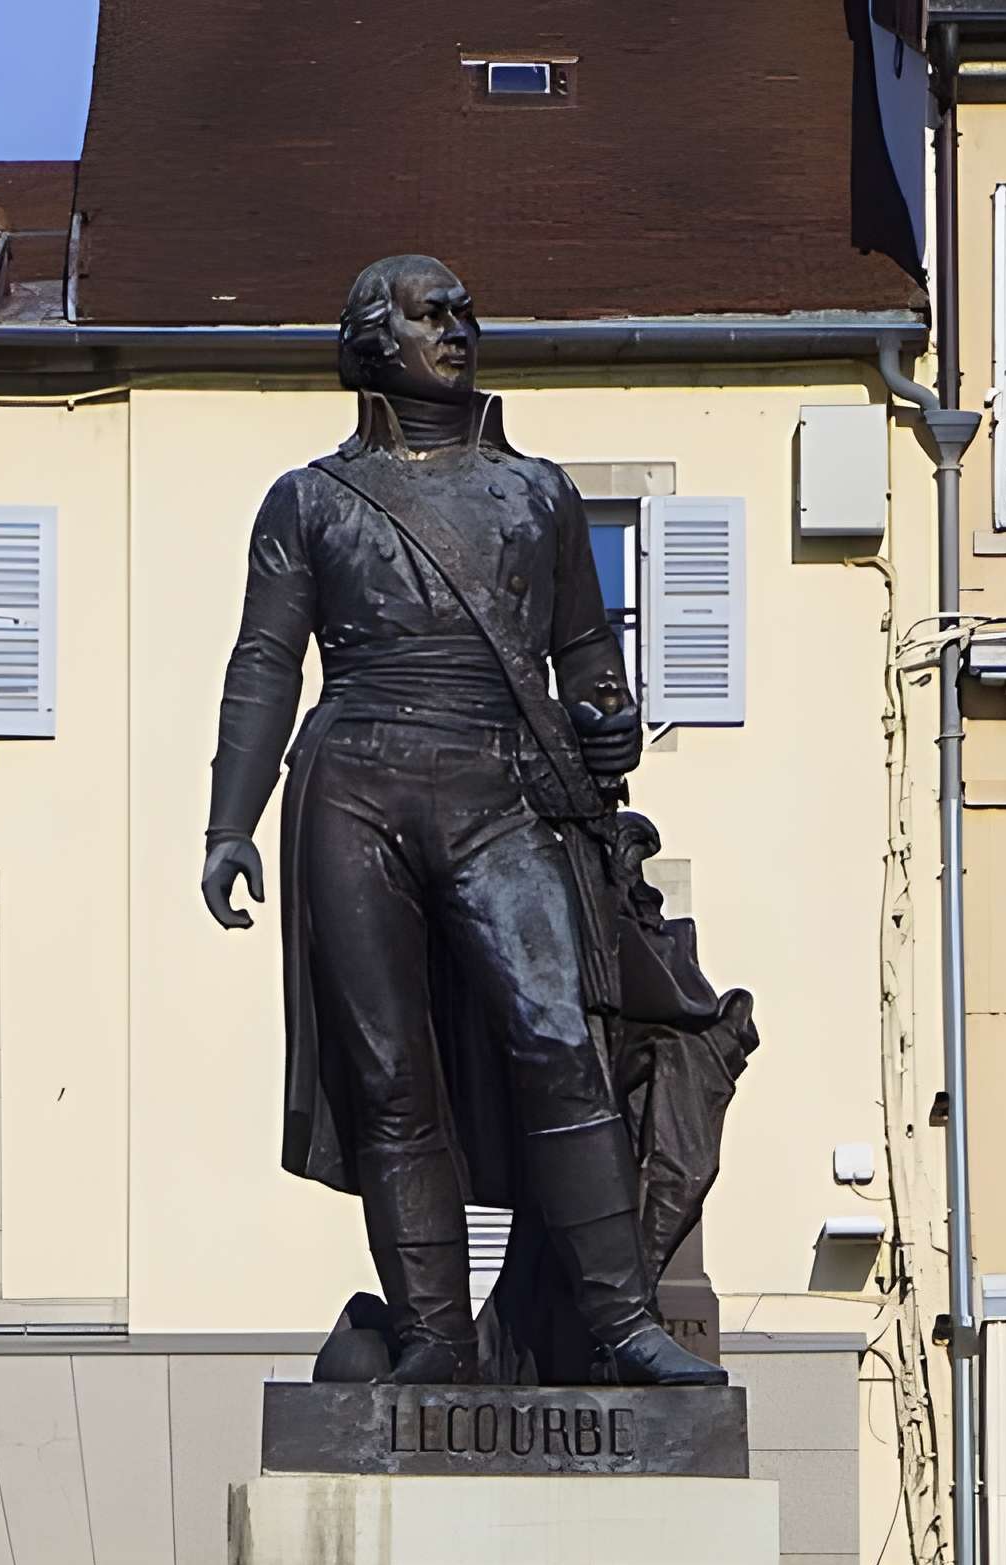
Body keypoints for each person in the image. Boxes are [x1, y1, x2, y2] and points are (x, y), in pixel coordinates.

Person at [203, 251, 724, 1386]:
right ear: (370, 343)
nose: (461, 325)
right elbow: (263, 663)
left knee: (559, 1041)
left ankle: (619, 1325)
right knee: (390, 1073)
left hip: (501, 783)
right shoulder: (309, 499)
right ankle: (434, 1336)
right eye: (433, 312)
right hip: (354, 783)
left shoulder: (538, 492)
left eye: (466, 311)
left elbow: (583, 648)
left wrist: (608, 716)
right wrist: (228, 821)